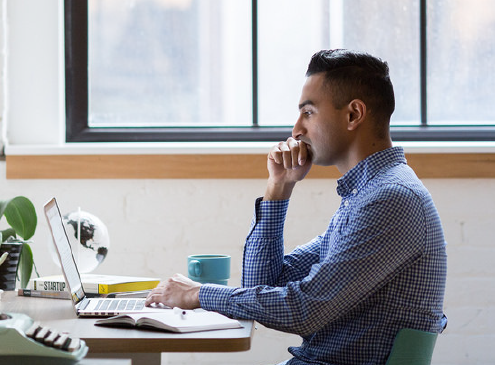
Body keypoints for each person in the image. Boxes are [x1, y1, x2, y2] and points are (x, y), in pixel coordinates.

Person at [146, 49, 447, 364]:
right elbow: (262, 285)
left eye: (309, 112)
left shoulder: (390, 200)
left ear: (353, 115)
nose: (296, 130)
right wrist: (279, 186)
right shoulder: (365, 195)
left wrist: (197, 294)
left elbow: (304, 310)